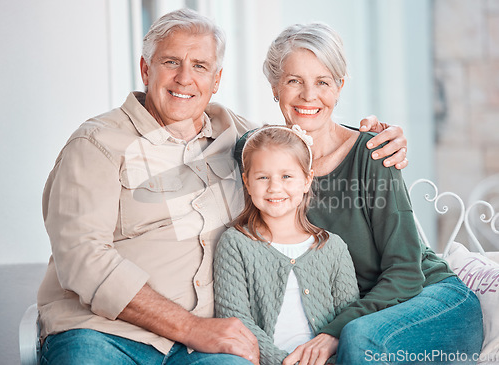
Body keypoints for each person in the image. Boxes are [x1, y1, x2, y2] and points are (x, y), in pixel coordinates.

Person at [37, 8, 408, 365]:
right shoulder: (96, 144)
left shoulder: (240, 137)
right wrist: (191, 327)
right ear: (145, 68)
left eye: (200, 66)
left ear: (216, 80)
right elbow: (83, 259)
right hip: (104, 333)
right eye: (170, 62)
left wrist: (373, 138)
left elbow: (299, 142)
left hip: (206, 346)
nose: (185, 78)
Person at [249, 22, 483, 364]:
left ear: (340, 87)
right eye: (294, 81)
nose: (308, 96)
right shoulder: (260, 160)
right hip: (368, 317)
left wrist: (333, 331)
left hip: (431, 302)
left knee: (359, 338)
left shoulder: (374, 152)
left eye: (323, 82)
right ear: (275, 87)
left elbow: (406, 272)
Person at [214, 125, 360, 365]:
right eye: (262, 177)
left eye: (286, 176)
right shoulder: (236, 243)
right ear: (247, 182)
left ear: (306, 180)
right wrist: (283, 362)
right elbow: (236, 317)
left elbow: (348, 319)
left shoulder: (333, 248)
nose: (274, 187)